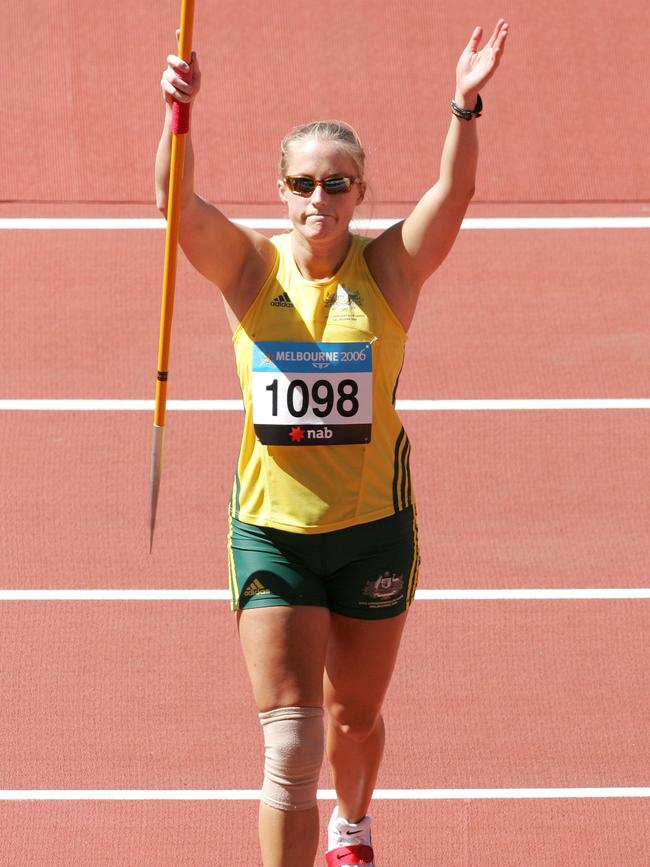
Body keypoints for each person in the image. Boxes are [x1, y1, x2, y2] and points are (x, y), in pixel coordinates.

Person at [156, 19, 508, 867]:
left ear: (359, 193)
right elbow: (175, 205)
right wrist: (177, 112)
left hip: (371, 530)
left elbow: (451, 198)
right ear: (281, 191)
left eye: (339, 185)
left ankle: (352, 824)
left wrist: (464, 104)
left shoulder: (387, 272)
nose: (321, 200)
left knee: (352, 716)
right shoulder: (249, 270)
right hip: (271, 532)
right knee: (290, 744)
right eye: (305, 184)